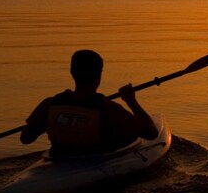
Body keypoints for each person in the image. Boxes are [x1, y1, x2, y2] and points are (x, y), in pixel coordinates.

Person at [20, 49, 159, 157]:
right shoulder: (107, 109)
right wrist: (131, 100)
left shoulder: (49, 105)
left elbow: (25, 138)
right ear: (99, 75)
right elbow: (151, 133)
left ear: (72, 72)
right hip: (96, 160)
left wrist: (45, 123)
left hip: (60, 158)